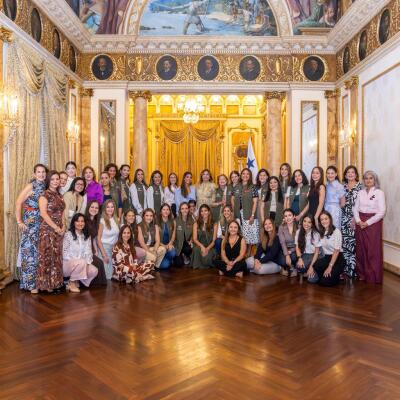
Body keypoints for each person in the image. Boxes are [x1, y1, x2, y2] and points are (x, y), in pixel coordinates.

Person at [15, 164, 47, 293]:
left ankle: (39, 283)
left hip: (42, 223)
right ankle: (30, 285)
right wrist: (19, 221)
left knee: (39, 254)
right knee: (29, 253)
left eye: (43, 172)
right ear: (34, 174)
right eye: (38, 172)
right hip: (31, 223)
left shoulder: (46, 186)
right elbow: (18, 202)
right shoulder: (31, 186)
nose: (41, 174)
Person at [353, 170, 386, 284]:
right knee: (361, 249)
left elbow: (382, 212)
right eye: (366, 178)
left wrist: (367, 223)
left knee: (372, 250)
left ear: (375, 180)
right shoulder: (360, 192)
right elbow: (355, 208)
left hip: (373, 223)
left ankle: (373, 276)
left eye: (371, 178)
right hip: (360, 222)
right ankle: (362, 274)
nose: (368, 180)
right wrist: (358, 221)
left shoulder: (379, 193)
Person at [37, 171, 66, 292]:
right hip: (47, 230)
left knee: (56, 258)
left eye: (57, 179)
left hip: (59, 231)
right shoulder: (44, 195)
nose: (55, 181)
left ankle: (55, 284)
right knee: (47, 257)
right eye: (52, 179)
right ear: (48, 181)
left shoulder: (60, 195)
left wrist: (63, 226)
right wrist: (56, 228)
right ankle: (46, 286)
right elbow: (43, 214)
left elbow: (62, 212)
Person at [62, 213, 98, 293]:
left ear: (85, 223)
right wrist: (78, 261)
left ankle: (76, 280)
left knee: (94, 270)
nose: (80, 223)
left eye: (82, 221)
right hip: (67, 264)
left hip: (81, 263)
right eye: (77, 221)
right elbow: (64, 252)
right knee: (81, 262)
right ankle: (71, 282)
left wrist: (86, 263)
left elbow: (89, 252)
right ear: (74, 223)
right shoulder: (68, 234)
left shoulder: (87, 236)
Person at [310, 211, 345, 287]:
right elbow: (317, 250)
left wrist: (330, 267)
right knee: (316, 265)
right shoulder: (321, 232)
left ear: (330, 219)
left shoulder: (336, 232)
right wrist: (311, 266)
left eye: (326, 219)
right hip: (327, 257)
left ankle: (335, 275)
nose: (324, 221)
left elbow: (336, 251)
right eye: (322, 219)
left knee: (325, 282)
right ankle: (326, 275)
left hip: (337, 258)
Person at [341, 165, 363, 279]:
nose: (350, 174)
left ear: (356, 174)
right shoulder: (342, 186)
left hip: (355, 218)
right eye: (348, 172)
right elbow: (340, 203)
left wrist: (355, 219)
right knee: (345, 244)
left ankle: (354, 271)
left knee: (354, 245)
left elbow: (362, 204)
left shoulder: (360, 187)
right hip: (343, 218)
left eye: (352, 172)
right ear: (345, 175)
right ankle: (345, 270)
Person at [234, 168, 259, 253]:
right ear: (241, 175)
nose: (245, 175)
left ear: (250, 176)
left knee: (250, 235)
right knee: (242, 234)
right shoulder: (237, 186)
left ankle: (249, 253)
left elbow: (255, 202)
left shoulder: (253, 187)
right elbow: (233, 199)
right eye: (243, 173)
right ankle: (243, 252)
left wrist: (252, 215)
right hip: (239, 214)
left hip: (249, 214)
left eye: (247, 174)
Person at [84, 200, 107, 286]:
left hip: (91, 248)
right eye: (92, 207)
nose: (94, 209)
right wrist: (89, 251)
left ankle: (98, 286)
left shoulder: (96, 221)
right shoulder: (84, 220)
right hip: (84, 249)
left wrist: (96, 250)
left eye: (96, 208)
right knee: (99, 263)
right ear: (88, 208)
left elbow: (94, 238)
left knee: (99, 262)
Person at [97, 199, 120, 279]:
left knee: (116, 275)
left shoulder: (117, 219)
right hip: (104, 249)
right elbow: (98, 239)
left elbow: (118, 237)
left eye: (112, 207)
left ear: (114, 208)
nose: (110, 209)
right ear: (105, 209)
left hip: (114, 249)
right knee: (108, 276)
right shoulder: (102, 221)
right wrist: (104, 255)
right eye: (108, 207)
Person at [295, 215, 322, 282]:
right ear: (302, 221)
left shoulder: (316, 234)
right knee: (299, 266)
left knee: (311, 280)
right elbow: (297, 247)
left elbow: (316, 252)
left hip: (316, 255)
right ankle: (308, 271)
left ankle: (314, 270)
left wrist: (311, 266)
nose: (306, 224)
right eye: (305, 221)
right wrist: (299, 259)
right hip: (306, 255)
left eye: (309, 222)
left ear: (312, 224)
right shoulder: (298, 231)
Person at [192, 204, 217, 269]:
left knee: (206, 260)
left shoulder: (214, 224)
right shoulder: (196, 223)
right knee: (196, 250)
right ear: (200, 213)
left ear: (209, 212)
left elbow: (214, 241)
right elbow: (195, 239)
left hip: (209, 246)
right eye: (202, 211)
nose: (203, 213)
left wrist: (207, 249)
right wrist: (202, 247)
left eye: (205, 210)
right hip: (199, 246)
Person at [278, 208, 298, 277]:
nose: (288, 218)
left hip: (295, 249)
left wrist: (291, 250)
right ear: (284, 218)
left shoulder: (299, 227)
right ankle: (288, 267)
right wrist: (287, 254)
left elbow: (300, 243)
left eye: (289, 215)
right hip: (285, 248)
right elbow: (282, 243)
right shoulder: (281, 227)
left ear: (294, 216)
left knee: (294, 257)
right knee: (282, 261)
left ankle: (293, 267)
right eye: (285, 216)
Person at [174, 202, 194, 266]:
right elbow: (173, 235)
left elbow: (194, 233)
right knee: (179, 264)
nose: (184, 210)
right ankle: (181, 255)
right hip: (178, 244)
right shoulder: (176, 220)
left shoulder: (191, 220)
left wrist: (191, 240)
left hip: (187, 244)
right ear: (180, 210)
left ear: (188, 209)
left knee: (188, 249)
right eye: (182, 209)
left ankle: (186, 255)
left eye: (186, 208)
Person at [157, 204, 177, 269]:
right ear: (161, 211)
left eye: (167, 209)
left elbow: (173, 236)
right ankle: (162, 260)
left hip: (169, 245)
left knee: (172, 253)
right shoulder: (156, 222)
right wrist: (164, 246)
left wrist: (170, 244)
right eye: (164, 209)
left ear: (169, 211)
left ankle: (167, 259)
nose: (166, 211)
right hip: (160, 246)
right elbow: (156, 239)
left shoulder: (173, 221)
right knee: (164, 266)